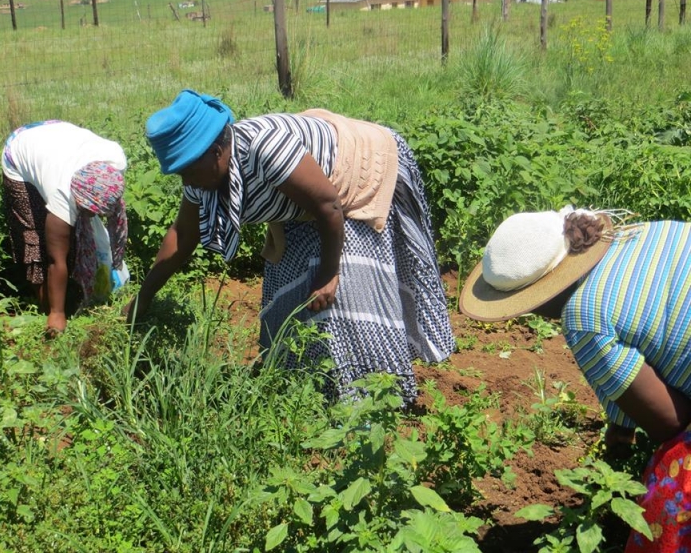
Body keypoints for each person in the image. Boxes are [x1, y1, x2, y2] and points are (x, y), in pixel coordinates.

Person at [124, 89, 455, 403]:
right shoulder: (202, 176)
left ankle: (373, 401)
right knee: (288, 293)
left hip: (351, 181)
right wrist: (144, 297)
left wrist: (328, 274)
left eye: (187, 170)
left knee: (344, 300)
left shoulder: (265, 148)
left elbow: (329, 205)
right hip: (304, 206)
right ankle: (303, 389)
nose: (185, 181)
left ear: (215, 151)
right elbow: (182, 235)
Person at [459, 206, 691, 552]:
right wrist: (622, 422)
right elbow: (652, 319)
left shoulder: (584, 317)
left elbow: (671, 422)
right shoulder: (636, 232)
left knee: (669, 485)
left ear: (540, 297)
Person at [1, 120, 128, 335]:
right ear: (75, 198)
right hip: (20, 150)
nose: (93, 216)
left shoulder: (115, 159)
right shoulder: (61, 192)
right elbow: (55, 260)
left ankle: (72, 291)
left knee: (79, 235)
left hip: (56, 134)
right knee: (35, 239)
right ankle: (45, 308)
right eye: (88, 210)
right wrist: (57, 313)